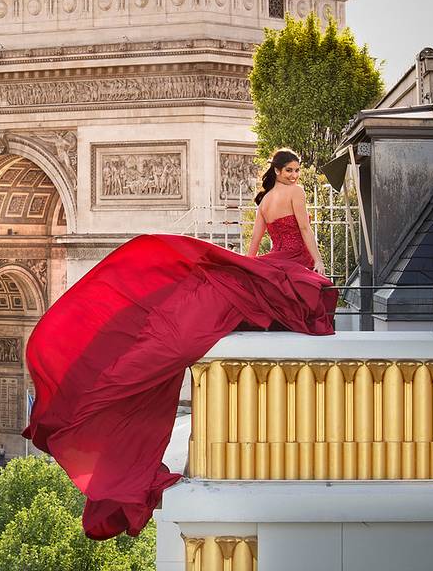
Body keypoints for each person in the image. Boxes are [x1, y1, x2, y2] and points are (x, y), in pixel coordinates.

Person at [22, 148, 336, 541]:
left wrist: (248, 271)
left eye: (295, 171)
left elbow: (253, 249)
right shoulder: (295, 194)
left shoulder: (264, 203)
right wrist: (318, 264)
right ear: (277, 170)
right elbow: (306, 233)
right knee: (310, 302)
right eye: (289, 170)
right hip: (293, 263)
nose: (294, 175)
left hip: (274, 261)